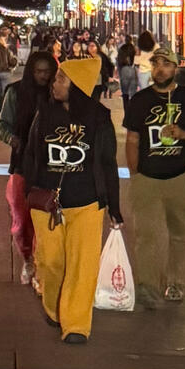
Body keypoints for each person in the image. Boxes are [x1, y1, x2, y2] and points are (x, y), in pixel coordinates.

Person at [23, 58, 122, 343]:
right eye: (55, 78)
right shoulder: (44, 114)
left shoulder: (99, 118)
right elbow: (31, 155)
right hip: (47, 203)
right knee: (51, 261)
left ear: (77, 85)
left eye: (61, 79)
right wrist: (30, 190)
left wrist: (113, 206)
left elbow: (107, 163)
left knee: (83, 264)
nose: (54, 84)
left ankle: (76, 323)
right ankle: (55, 309)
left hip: (87, 202)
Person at [123, 46, 185, 309]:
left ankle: (173, 281)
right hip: (148, 178)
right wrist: (135, 173)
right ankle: (147, 286)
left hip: (180, 175)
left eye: (166, 64)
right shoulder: (140, 100)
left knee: (179, 233)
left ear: (176, 68)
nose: (160, 69)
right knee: (146, 235)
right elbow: (132, 139)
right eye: (156, 64)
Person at [0, 52, 58, 286]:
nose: (43, 76)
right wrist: (12, 139)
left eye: (47, 71)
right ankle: (28, 258)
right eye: (38, 71)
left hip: (50, 166)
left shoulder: (59, 93)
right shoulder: (16, 93)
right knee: (22, 219)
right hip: (23, 164)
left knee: (46, 216)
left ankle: (43, 263)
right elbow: (3, 124)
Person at [117, 35, 138, 117]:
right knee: (133, 92)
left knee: (125, 92)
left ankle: (126, 112)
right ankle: (132, 111)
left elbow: (119, 60)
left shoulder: (122, 48)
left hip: (124, 70)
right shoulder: (133, 48)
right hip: (132, 69)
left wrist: (119, 72)